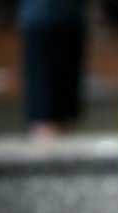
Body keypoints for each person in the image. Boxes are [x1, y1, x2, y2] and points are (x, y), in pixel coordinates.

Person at [18, 0, 85, 139]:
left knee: (63, 115)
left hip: (69, 20)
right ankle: (45, 153)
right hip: (43, 22)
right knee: (45, 116)